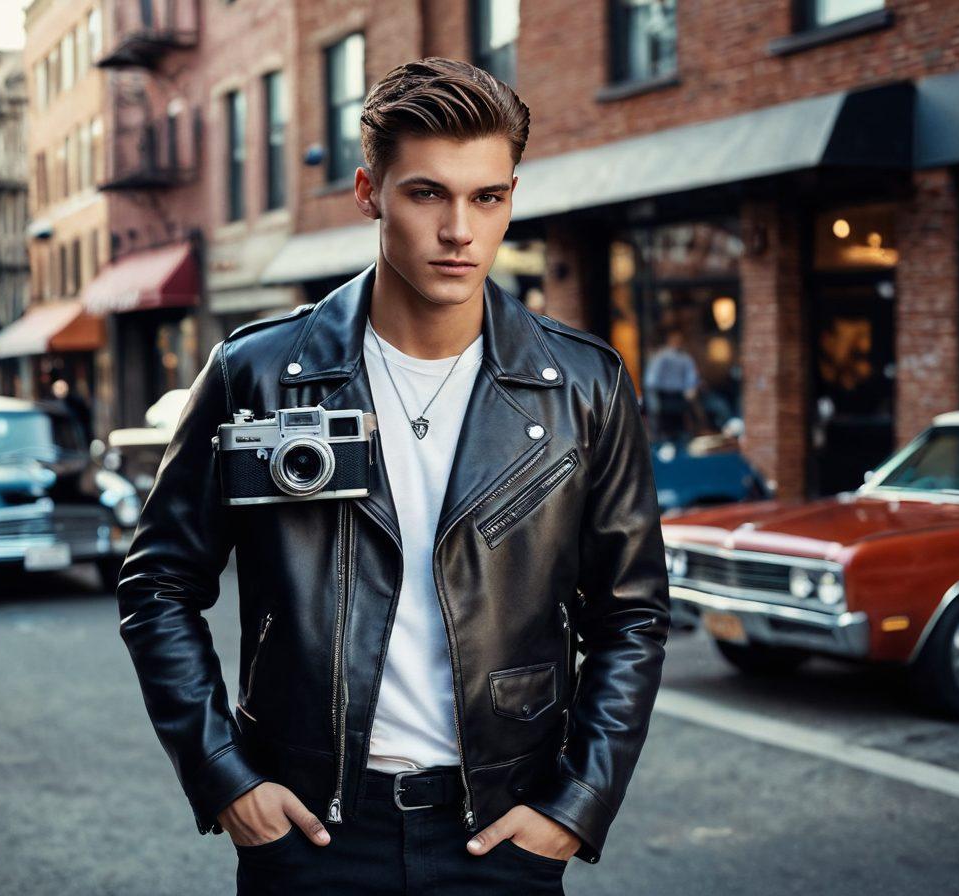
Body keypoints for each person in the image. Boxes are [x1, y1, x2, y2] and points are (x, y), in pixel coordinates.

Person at [116, 57, 669, 895]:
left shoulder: (584, 386)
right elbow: (158, 584)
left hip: (501, 832)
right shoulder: (258, 372)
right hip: (311, 832)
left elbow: (632, 616)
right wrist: (224, 775)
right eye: (427, 194)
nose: (461, 230)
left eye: (489, 197)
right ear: (368, 191)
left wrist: (576, 803)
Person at [643, 327, 699, 443]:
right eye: (675, 339)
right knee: (666, 428)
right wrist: (653, 396)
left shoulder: (684, 357)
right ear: (669, 340)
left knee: (680, 427)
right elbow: (652, 378)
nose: (677, 342)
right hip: (664, 396)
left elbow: (691, 375)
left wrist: (691, 388)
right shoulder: (662, 356)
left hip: (679, 396)